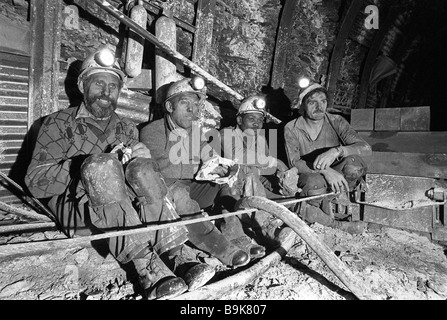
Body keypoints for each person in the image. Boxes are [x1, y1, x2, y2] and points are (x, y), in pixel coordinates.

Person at [24, 47, 216, 300]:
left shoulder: (126, 127)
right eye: (99, 84)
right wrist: (83, 167)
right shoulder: (56, 123)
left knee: (144, 167)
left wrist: (142, 158)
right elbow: (35, 184)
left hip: (126, 210)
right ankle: (147, 269)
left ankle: (176, 254)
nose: (106, 92)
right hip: (78, 211)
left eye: (113, 86)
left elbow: (143, 178)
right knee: (100, 166)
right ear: (82, 86)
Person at [139, 76, 253, 264]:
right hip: (169, 195)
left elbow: (207, 153)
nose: (192, 110)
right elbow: (162, 168)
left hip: (194, 187)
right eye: (185, 104)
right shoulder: (152, 131)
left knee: (229, 183)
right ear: (169, 107)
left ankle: (236, 236)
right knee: (180, 194)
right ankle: (222, 248)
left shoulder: (194, 130)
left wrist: (219, 166)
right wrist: (200, 167)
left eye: (195, 104)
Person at [284, 83, 372, 234]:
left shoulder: (336, 121)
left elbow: (365, 148)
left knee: (354, 166)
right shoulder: (291, 128)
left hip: (336, 172)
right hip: (309, 173)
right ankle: (317, 214)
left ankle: (333, 197)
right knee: (314, 182)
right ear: (302, 105)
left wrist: (337, 151)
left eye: (323, 101)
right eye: (312, 102)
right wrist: (326, 171)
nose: (319, 106)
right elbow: (294, 162)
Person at [219, 94, 298, 248]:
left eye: (260, 120)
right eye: (252, 119)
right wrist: (277, 162)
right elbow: (238, 156)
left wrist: (282, 181)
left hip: (255, 186)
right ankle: (265, 229)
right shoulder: (226, 133)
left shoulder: (260, 139)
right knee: (245, 176)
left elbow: (265, 171)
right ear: (239, 120)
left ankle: (270, 223)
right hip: (231, 185)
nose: (257, 124)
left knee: (290, 200)